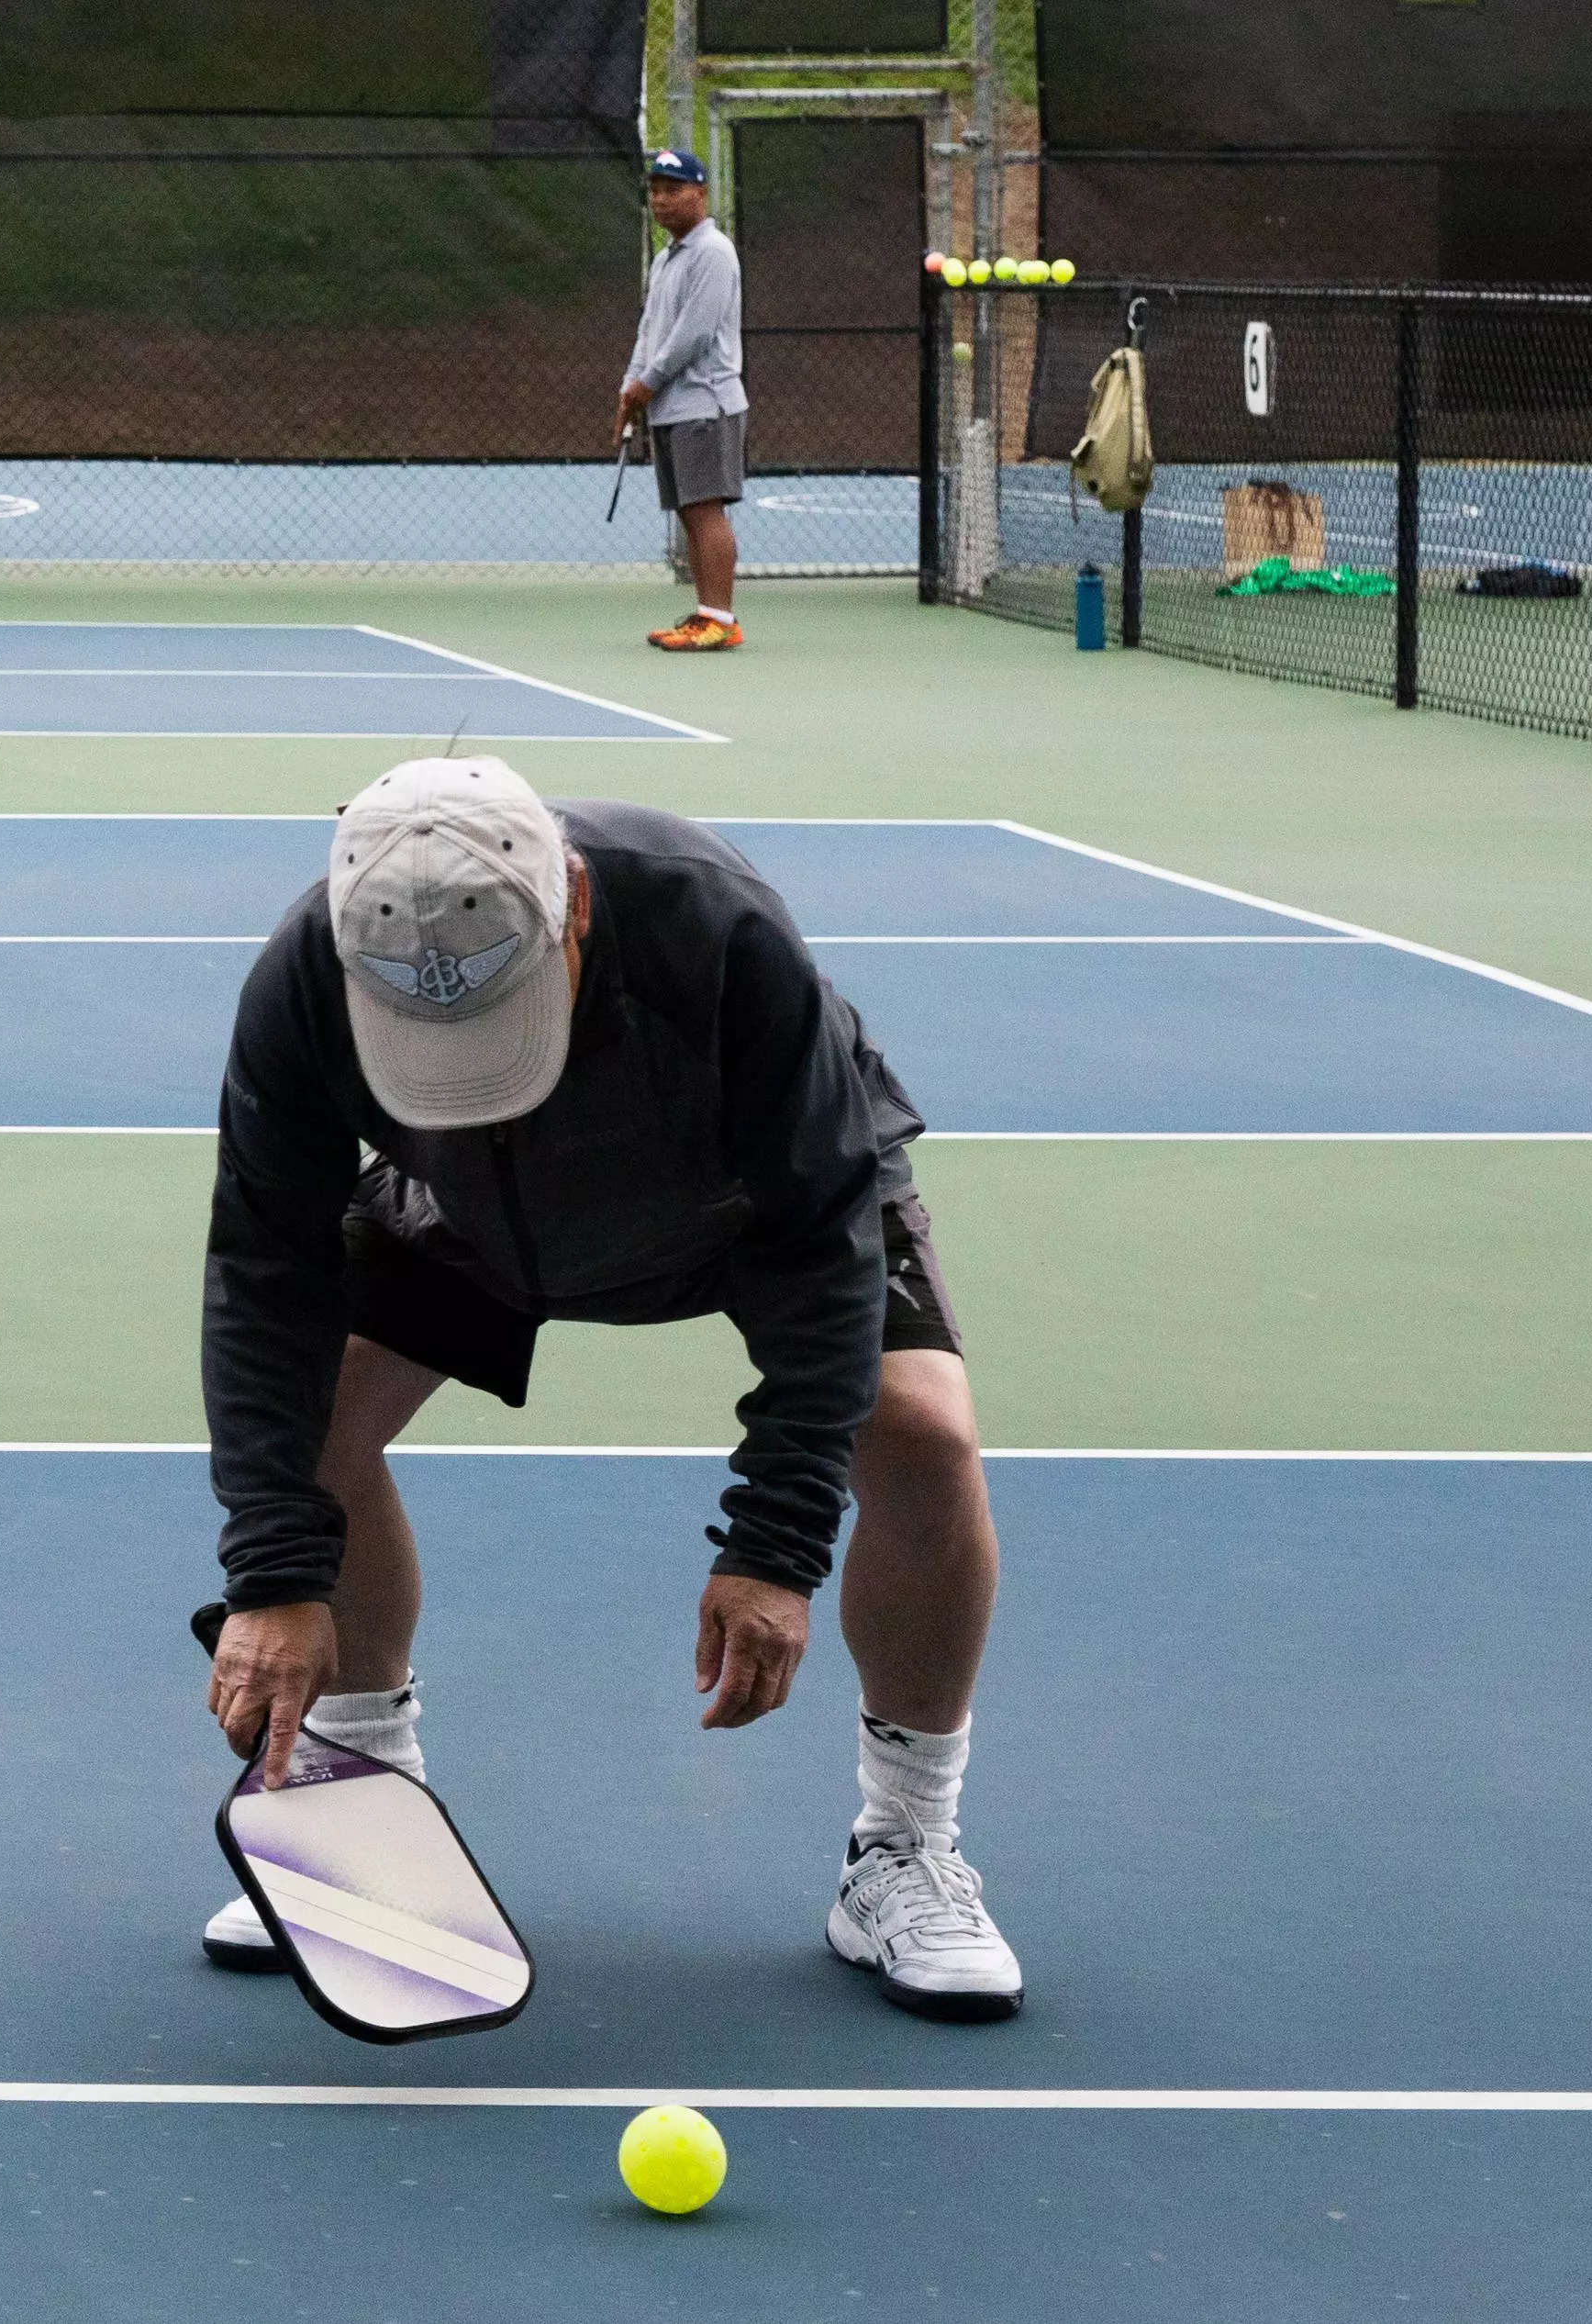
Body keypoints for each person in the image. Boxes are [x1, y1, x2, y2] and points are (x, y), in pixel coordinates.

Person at [196, 755, 1019, 2021]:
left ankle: (903, 1848)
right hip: (464, 1206)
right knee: (315, 1415)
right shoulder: (305, 974)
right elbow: (266, 1273)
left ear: (570, 904)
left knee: (917, 1429)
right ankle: (361, 1812)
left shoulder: (714, 926)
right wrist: (273, 1576)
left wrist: (774, 1547)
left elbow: (817, 1240)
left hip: (749, 1201)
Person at [619, 147, 745, 653]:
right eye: (655, 191)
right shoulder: (666, 258)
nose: (662, 200)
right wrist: (631, 387)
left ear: (700, 194)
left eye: (673, 190)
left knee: (705, 510)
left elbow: (692, 334)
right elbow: (651, 330)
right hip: (670, 404)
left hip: (705, 404)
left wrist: (646, 383)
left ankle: (720, 620)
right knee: (690, 512)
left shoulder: (714, 253)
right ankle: (705, 615)